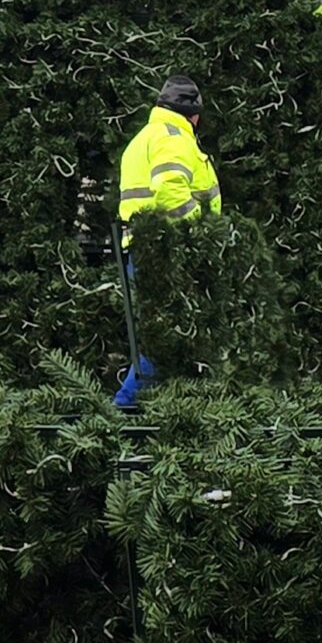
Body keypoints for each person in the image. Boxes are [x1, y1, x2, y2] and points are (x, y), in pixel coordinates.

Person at [113, 74, 223, 410]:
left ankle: (144, 415)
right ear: (195, 115)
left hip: (147, 250)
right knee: (168, 341)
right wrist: (198, 233)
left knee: (162, 339)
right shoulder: (174, 138)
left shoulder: (145, 137)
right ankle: (123, 412)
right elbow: (169, 191)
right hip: (167, 253)